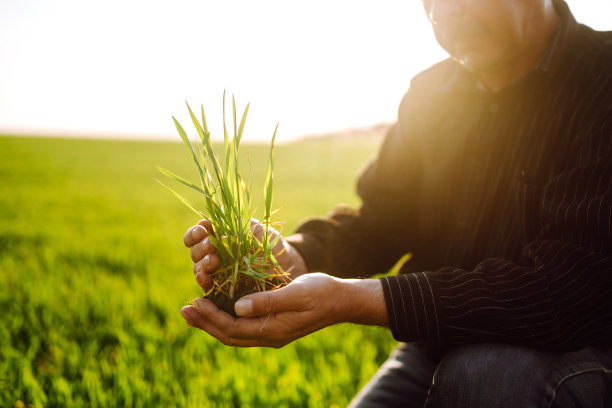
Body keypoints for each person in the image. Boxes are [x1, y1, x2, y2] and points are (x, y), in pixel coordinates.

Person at [180, 0, 612, 406]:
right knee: (467, 369)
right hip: (435, 351)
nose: (444, 12)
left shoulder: (601, 80)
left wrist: (351, 299)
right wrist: (295, 257)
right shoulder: (432, 93)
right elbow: (383, 219)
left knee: (483, 374)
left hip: (580, 355)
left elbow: (570, 289)